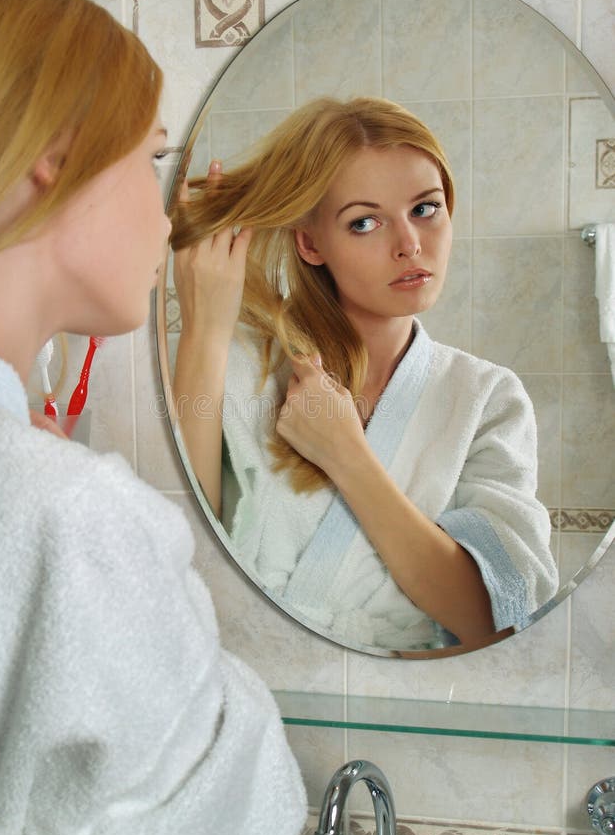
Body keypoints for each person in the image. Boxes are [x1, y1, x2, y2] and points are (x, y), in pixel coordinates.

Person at [0, 0, 307, 835]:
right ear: (50, 162)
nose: (167, 212)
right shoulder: (65, 514)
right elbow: (233, 821)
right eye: (148, 157)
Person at [170, 96, 559, 652]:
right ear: (310, 243)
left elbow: (495, 615)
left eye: (425, 208)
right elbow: (184, 543)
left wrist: (346, 454)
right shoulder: (244, 366)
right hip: (253, 678)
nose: (410, 244)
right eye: (365, 222)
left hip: (405, 704)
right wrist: (204, 332)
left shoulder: (485, 398)